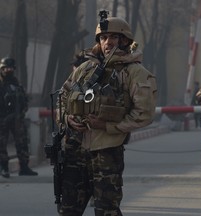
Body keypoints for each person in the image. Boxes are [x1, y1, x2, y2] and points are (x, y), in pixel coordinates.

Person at [56, 11, 157, 216]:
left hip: (107, 152)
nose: (107, 42)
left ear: (124, 40)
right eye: (103, 37)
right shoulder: (84, 69)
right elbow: (61, 99)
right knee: (67, 210)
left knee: (106, 210)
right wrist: (67, 118)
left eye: (113, 37)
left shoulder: (134, 73)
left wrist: (109, 127)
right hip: (75, 150)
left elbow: (144, 113)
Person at [0, 57, 38, 178]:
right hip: (3, 119)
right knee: (2, 145)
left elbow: (23, 99)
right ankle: (4, 168)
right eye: (6, 68)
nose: (8, 70)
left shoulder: (16, 83)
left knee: (22, 143)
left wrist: (22, 112)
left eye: (10, 68)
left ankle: (24, 167)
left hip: (17, 119)